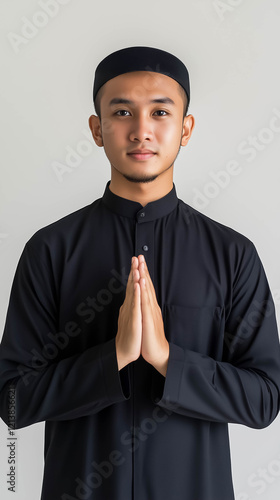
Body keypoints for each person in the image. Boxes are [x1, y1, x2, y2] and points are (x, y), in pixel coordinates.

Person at [0, 45, 280, 500]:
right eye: (123, 111)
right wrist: (112, 357)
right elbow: (13, 400)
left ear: (186, 128)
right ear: (97, 129)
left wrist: (169, 359)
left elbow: (265, 398)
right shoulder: (50, 250)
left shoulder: (233, 254)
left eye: (161, 112)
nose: (142, 130)